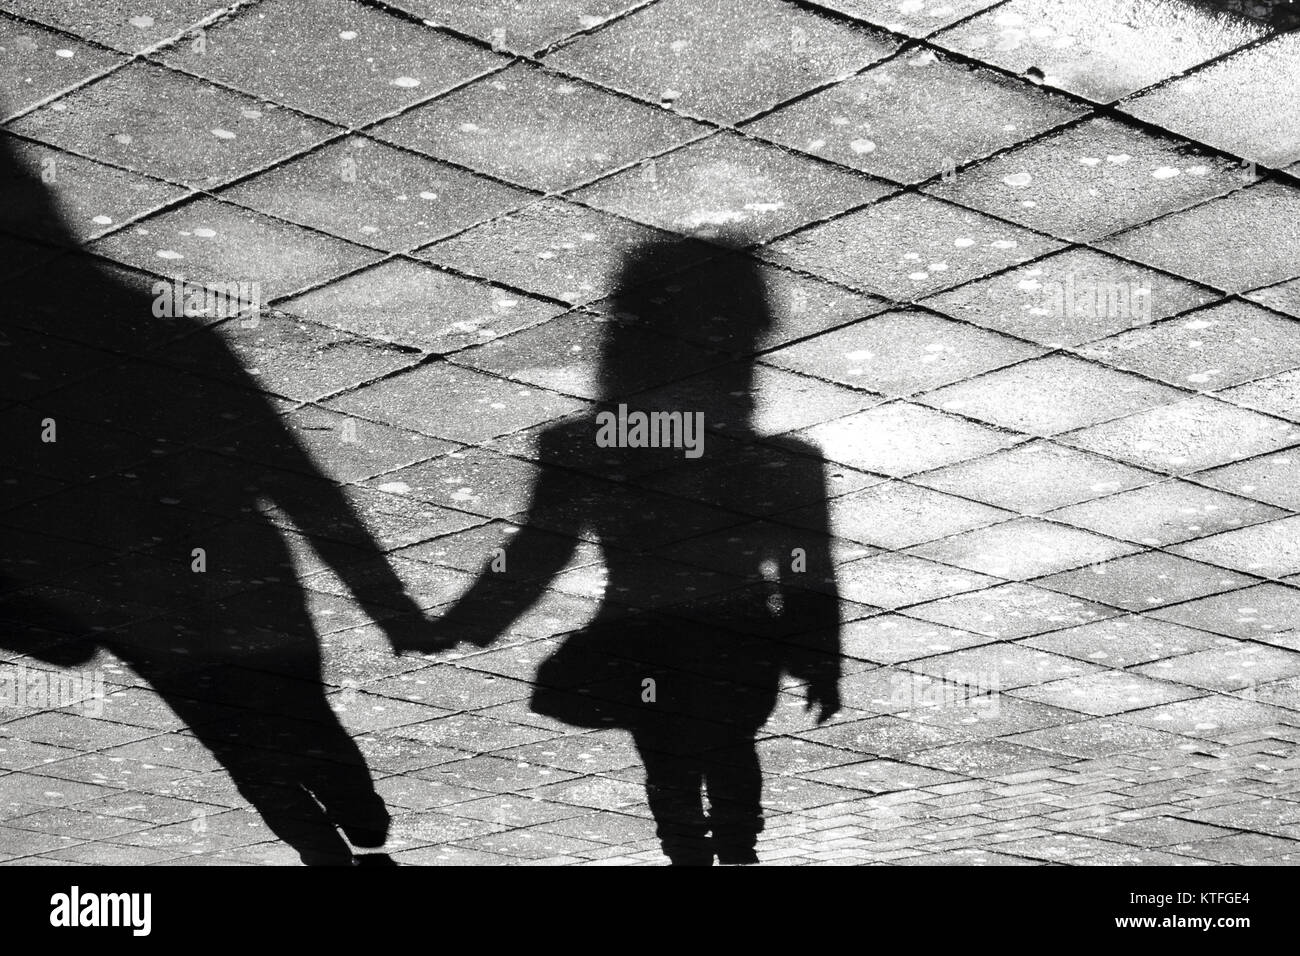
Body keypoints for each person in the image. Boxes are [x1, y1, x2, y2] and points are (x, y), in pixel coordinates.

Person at [0, 133, 432, 865]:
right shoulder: (171, 336)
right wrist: (384, 599)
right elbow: (295, 480)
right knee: (304, 720)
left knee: (241, 747)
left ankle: (330, 848)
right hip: (240, 579)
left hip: (136, 607)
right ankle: (363, 830)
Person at [410, 237, 843, 864]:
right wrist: (817, 661)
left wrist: (463, 621)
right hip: (743, 643)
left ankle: (687, 853)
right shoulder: (782, 464)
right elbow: (807, 571)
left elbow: (537, 552)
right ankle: (737, 853)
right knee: (729, 748)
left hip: (642, 639)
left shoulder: (586, 446)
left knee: (666, 753)